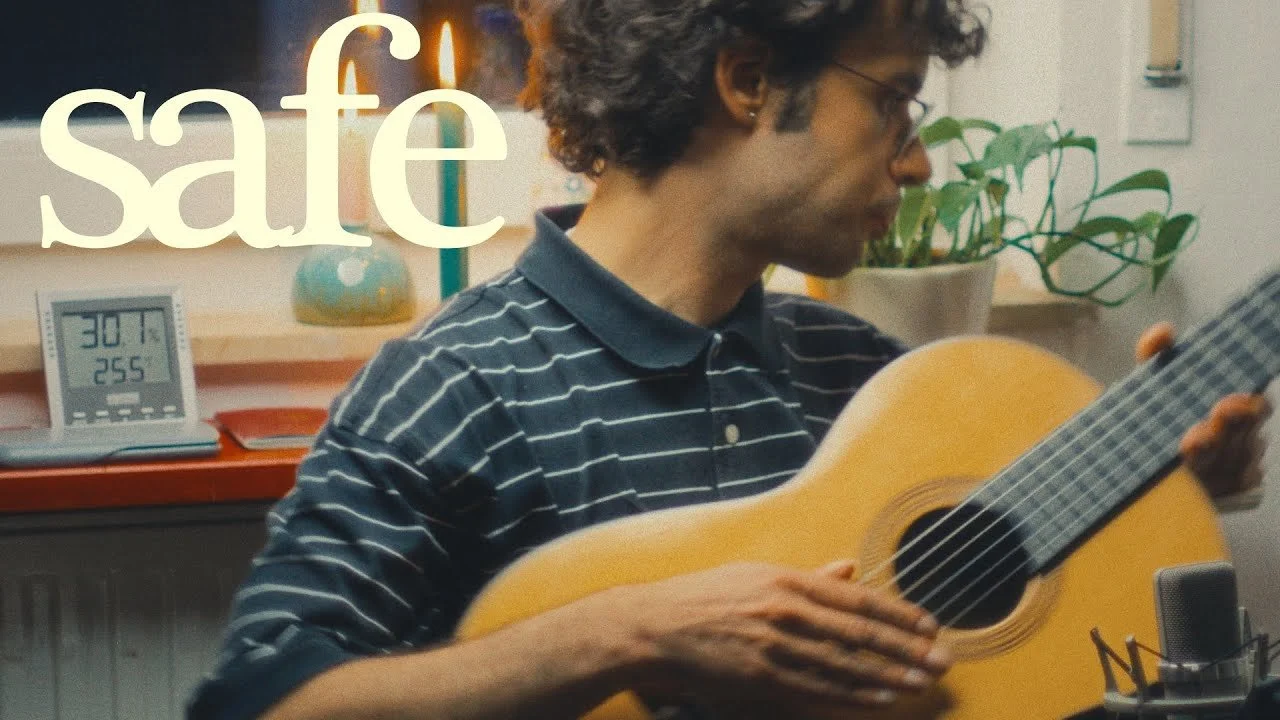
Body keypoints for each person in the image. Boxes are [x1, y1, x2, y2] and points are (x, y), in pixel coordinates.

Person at [189, 0, 1270, 718]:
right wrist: (625, 632)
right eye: (891, 98)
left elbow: (981, 608)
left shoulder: (860, 372)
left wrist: (1160, 482)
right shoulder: (453, 386)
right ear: (747, 80)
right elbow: (259, 699)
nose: (918, 155)